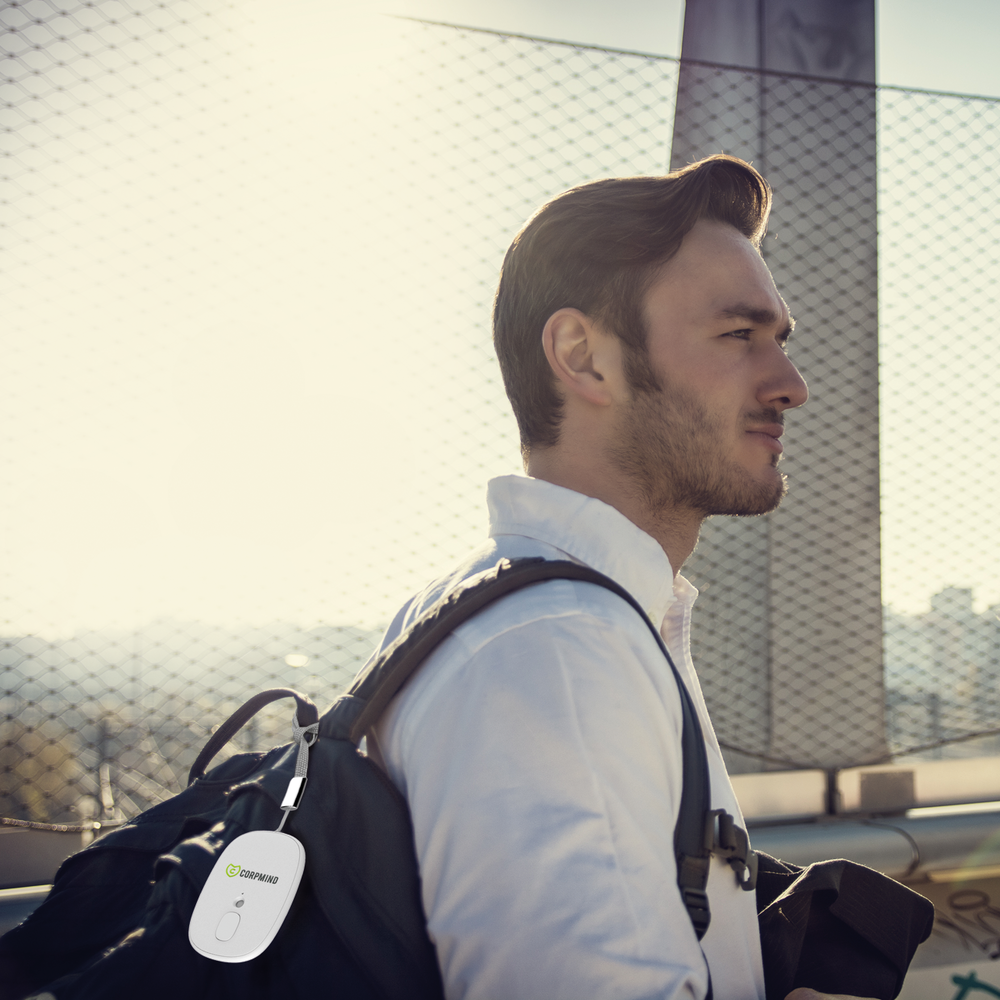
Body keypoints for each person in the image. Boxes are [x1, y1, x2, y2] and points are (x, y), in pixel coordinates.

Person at [366, 154, 810, 1000]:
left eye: (780, 340)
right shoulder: (556, 650)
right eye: (738, 335)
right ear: (584, 357)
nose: (790, 384)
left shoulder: (520, 606)